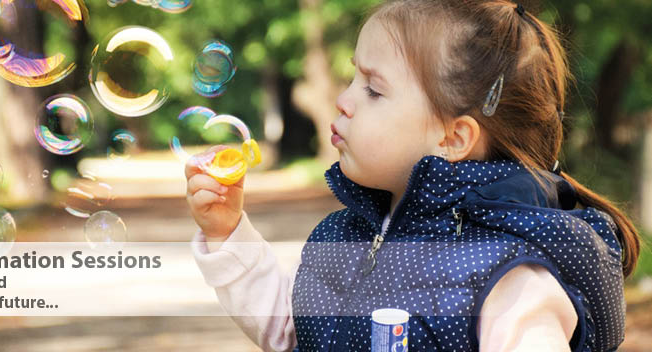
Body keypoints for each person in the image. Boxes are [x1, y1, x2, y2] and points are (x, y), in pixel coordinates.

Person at [185, 0, 640, 351]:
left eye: (373, 89)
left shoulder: (509, 278)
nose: (344, 100)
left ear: (454, 137)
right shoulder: (352, 234)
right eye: (352, 79)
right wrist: (229, 235)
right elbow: (295, 329)